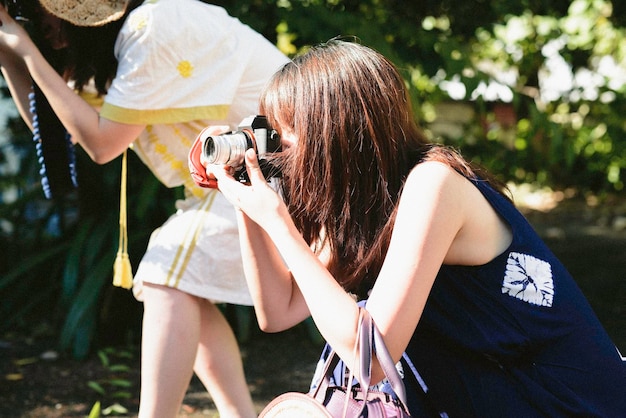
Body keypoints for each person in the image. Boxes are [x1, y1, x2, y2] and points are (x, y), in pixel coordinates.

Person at [200, 39, 626, 417]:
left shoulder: (432, 185)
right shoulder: (363, 210)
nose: (275, 149)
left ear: (334, 132)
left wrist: (278, 221)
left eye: (284, 133)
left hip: (560, 400)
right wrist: (240, 190)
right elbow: (277, 311)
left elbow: (370, 359)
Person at [0, 0, 289, 417]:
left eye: (49, 20)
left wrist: (26, 50)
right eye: (39, 24)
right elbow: (58, 127)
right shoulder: (121, 45)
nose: (50, 33)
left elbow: (101, 145)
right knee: (180, 284)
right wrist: (11, 54)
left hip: (283, 165)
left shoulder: (150, 27)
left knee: (165, 272)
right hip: (245, 171)